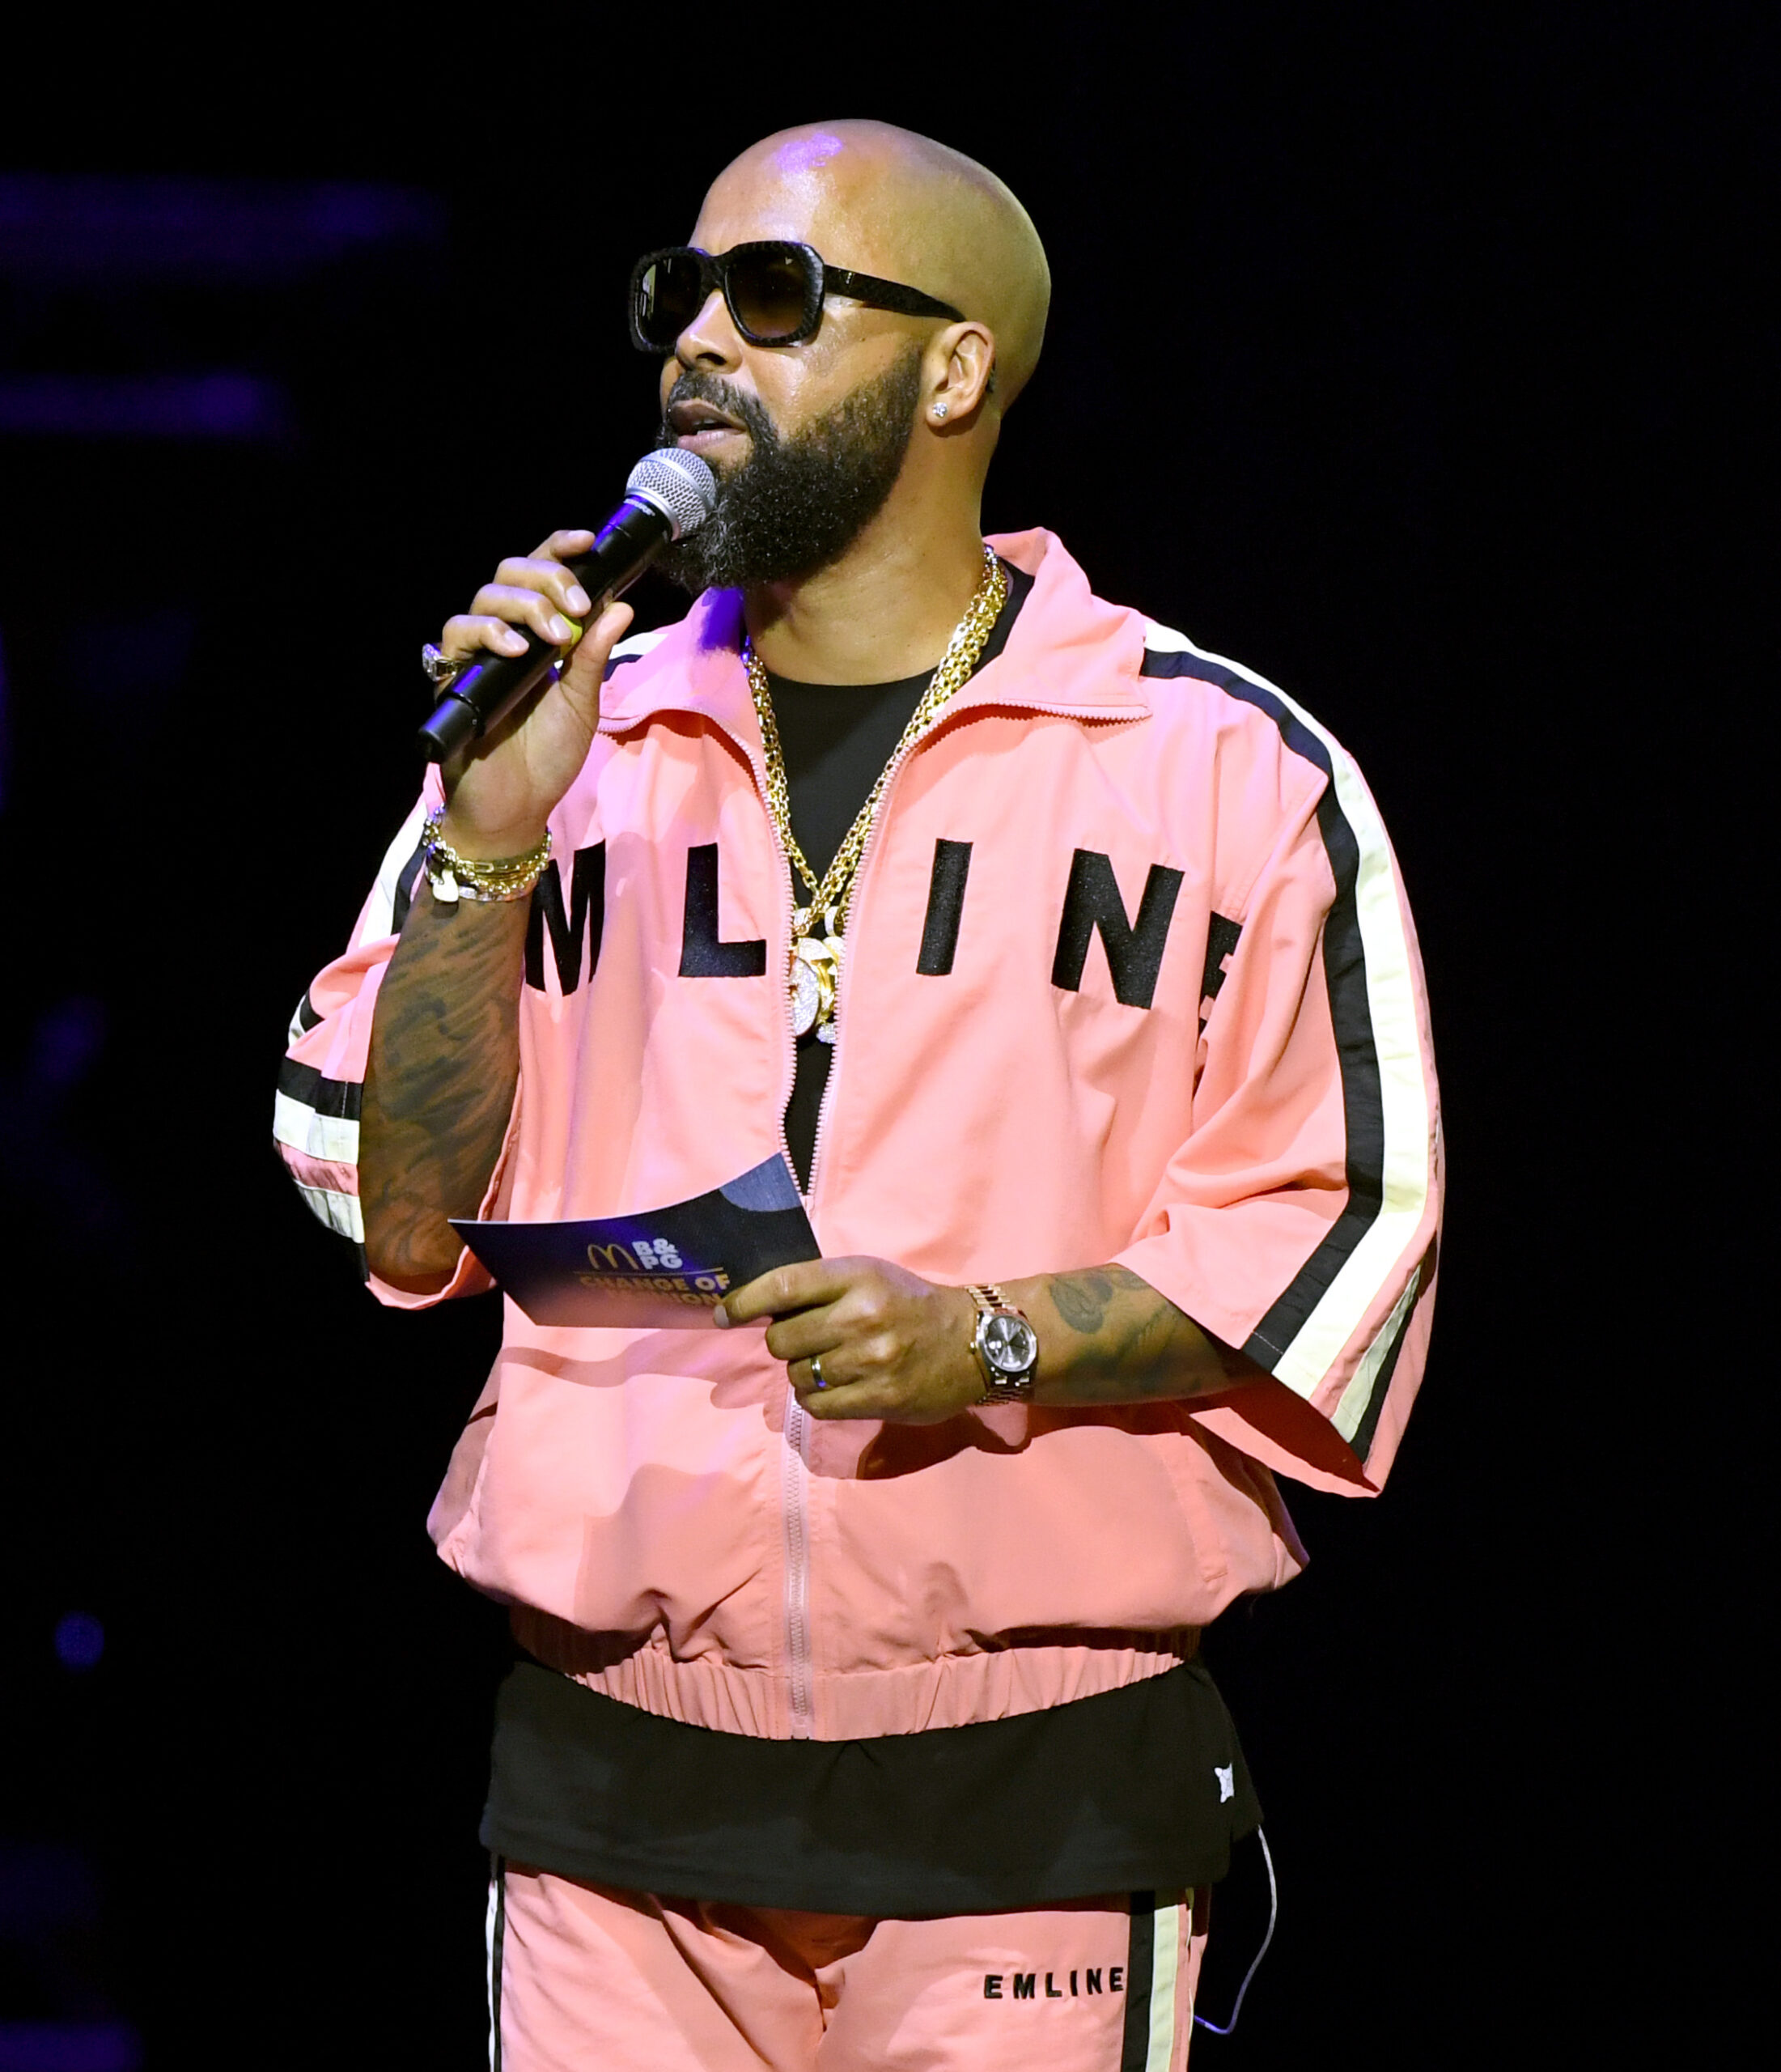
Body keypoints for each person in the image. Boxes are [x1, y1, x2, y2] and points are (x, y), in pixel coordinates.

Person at [276, 119, 1442, 2072]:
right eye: (682, 293)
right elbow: (401, 1219)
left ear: (954, 368)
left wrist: (985, 1334)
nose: (697, 341)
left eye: (774, 295)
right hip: (610, 1794)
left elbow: (1337, 1238)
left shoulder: (1222, 770)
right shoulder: (567, 738)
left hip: (1033, 1794)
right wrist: (485, 841)